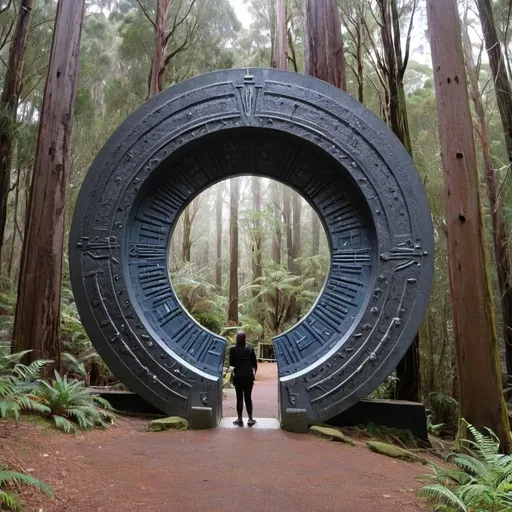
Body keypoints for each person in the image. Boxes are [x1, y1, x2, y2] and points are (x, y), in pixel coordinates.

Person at [229, 331, 257, 426]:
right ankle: (250, 419)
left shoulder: (233, 349)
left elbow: (231, 364)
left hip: (238, 377)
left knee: (239, 398)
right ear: (245, 338)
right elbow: (254, 364)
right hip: (248, 377)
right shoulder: (250, 349)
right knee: (248, 398)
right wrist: (253, 375)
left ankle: (240, 419)